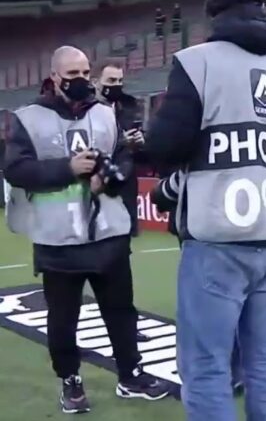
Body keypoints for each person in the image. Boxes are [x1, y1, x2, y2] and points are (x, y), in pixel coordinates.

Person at [145, 0, 266, 421]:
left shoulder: (197, 62)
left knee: (207, 366)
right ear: (263, 5)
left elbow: (164, 146)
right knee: (264, 363)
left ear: (214, 11)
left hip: (218, 235)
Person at [3, 46, 169, 415]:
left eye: (83, 73)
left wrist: (109, 178)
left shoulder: (106, 113)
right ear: (54, 77)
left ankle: (131, 375)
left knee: (121, 312)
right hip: (57, 239)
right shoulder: (29, 118)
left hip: (108, 232)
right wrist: (68, 168)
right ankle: (70, 380)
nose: (80, 80)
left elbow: (122, 157)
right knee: (63, 320)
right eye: (71, 74)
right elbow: (15, 170)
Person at [150, 170, 245, 395]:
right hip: (230, 228)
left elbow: (165, 190)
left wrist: (161, 192)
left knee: (206, 310)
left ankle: (218, 375)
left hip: (206, 231)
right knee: (232, 306)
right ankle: (234, 371)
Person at [94, 59, 152, 343]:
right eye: (110, 81)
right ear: (96, 82)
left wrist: (140, 143)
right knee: (83, 267)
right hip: (93, 195)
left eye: (119, 81)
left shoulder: (129, 107)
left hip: (123, 195)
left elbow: (142, 156)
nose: (116, 86)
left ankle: (127, 329)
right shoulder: (84, 110)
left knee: (121, 269)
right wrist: (121, 143)